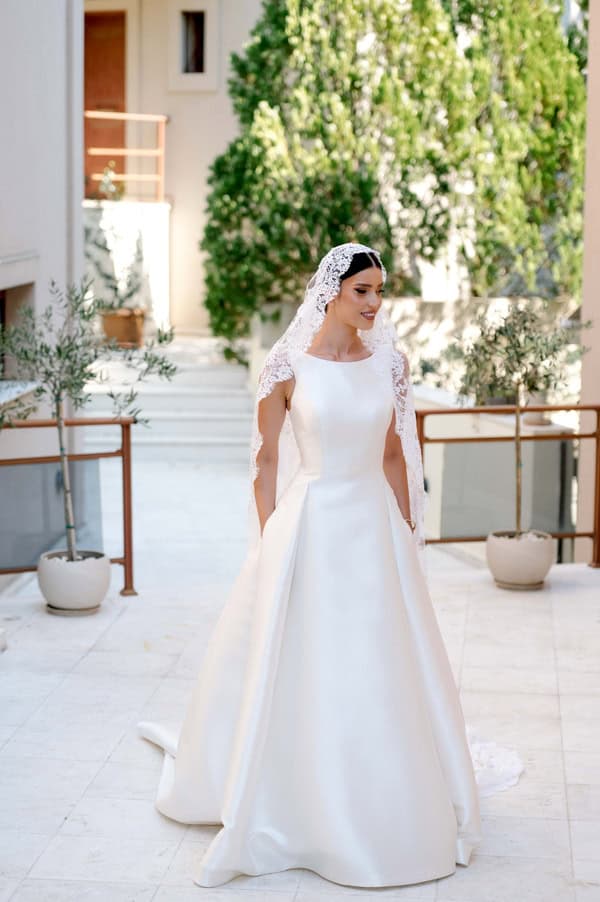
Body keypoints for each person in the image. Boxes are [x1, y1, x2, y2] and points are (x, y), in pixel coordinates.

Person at [138, 242, 523, 889]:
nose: (374, 304)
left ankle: (376, 800)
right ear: (332, 294)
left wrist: (408, 533)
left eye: (379, 292)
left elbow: (397, 456)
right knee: (306, 660)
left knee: (376, 665)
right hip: (308, 525)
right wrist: (267, 549)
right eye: (362, 291)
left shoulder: (391, 366)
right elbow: (264, 463)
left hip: (373, 529)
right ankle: (298, 800)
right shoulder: (287, 365)